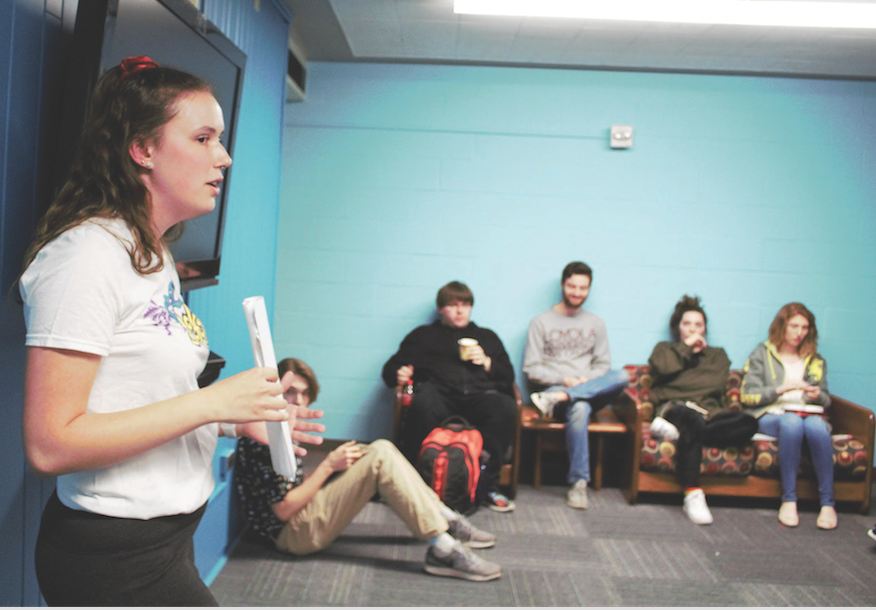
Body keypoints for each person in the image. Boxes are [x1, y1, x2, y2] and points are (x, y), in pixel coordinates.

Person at [18, 57, 324, 606]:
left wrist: (234, 420)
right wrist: (211, 406)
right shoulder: (85, 256)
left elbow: (145, 397)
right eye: (203, 138)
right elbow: (50, 444)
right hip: (111, 557)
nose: (223, 157)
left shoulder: (153, 251)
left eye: (220, 139)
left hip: (166, 541)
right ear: (143, 149)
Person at [235, 358, 502, 582]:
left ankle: (445, 518)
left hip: (299, 516)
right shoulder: (264, 437)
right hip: (291, 535)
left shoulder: (280, 427)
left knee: (380, 449)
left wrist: (334, 468)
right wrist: (329, 466)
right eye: (291, 392)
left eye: (305, 394)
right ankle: (443, 547)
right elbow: (282, 509)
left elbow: (285, 485)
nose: (299, 400)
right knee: (378, 460)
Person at [381, 281, 518, 513]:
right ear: (441, 309)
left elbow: (508, 376)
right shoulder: (424, 336)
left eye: (465, 305)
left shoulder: (487, 337)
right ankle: (412, 481)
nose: (459, 310)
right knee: (422, 404)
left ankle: (487, 485)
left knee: (505, 407)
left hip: (479, 396)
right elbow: (390, 370)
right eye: (453, 305)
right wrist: (399, 374)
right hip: (440, 394)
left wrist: (487, 362)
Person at [525, 261, 630, 510]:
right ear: (563, 285)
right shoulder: (540, 322)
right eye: (572, 286)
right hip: (551, 392)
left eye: (583, 288)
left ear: (589, 289)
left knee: (623, 375)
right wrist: (565, 381)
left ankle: (565, 395)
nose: (577, 292)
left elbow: (604, 365)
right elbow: (532, 369)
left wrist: (585, 383)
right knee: (580, 407)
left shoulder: (596, 323)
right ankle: (579, 484)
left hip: (587, 388)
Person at [646, 295, 758, 525]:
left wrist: (678, 380)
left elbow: (714, 384)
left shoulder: (716, 355)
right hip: (676, 409)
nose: (693, 329)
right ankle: (693, 493)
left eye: (698, 325)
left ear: (705, 328)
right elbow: (664, 368)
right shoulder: (664, 350)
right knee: (692, 418)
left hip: (710, 415)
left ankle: (685, 436)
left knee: (749, 423)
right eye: (687, 324)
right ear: (678, 327)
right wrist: (686, 349)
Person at [741, 302, 835, 529]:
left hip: (807, 413)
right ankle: (789, 500)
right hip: (771, 414)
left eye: (804, 328)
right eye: (794, 326)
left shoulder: (815, 359)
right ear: (782, 326)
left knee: (817, 427)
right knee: (792, 423)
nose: (799, 333)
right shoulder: (762, 353)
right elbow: (747, 396)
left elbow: (827, 400)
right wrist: (780, 389)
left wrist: (815, 395)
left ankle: (828, 504)